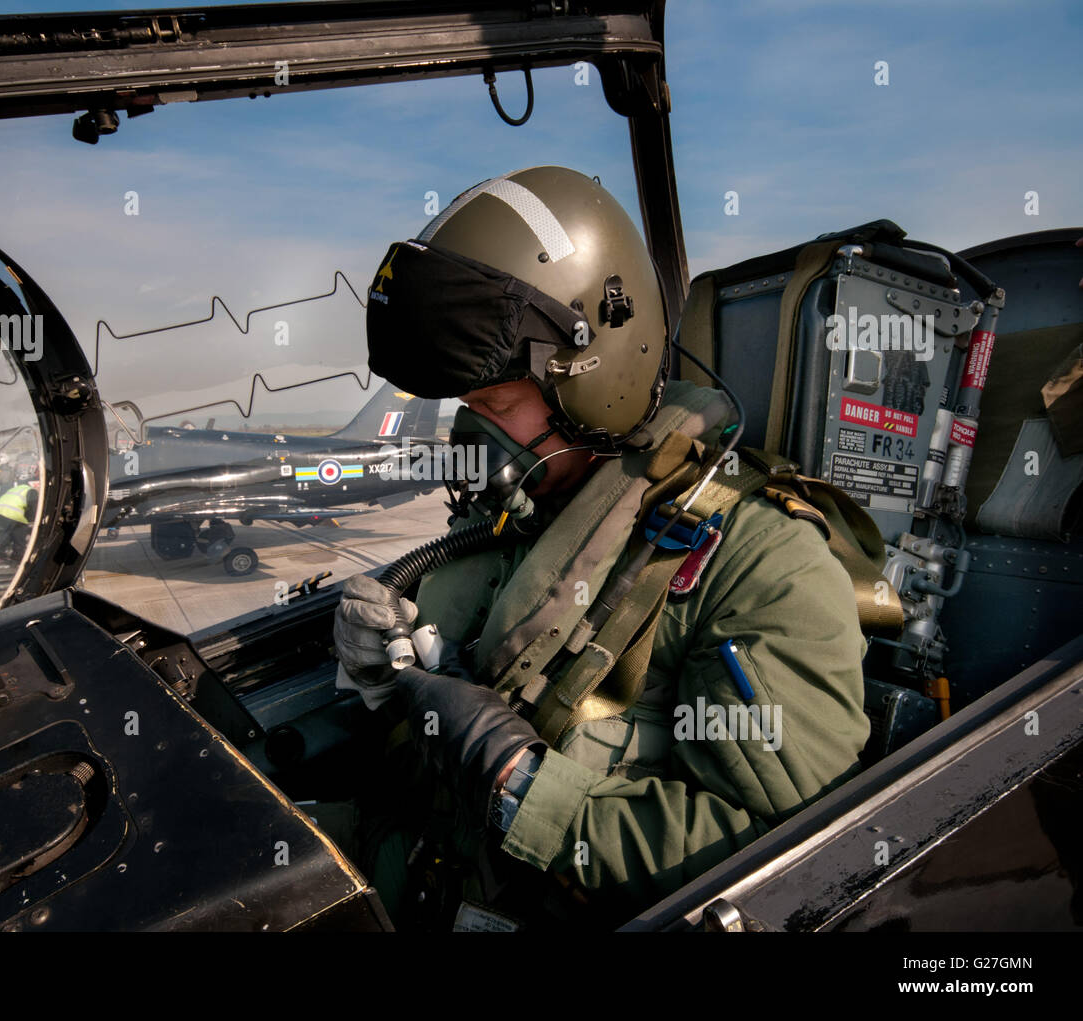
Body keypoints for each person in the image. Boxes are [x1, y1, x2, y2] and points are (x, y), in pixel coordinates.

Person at [334, 166, 870, 929]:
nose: (470, 434)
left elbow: (785, 866)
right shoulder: (529, 521)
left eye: (494, 404)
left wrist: (518, 781)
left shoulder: (763, 566)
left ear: (592, 379)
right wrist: (386, 683)